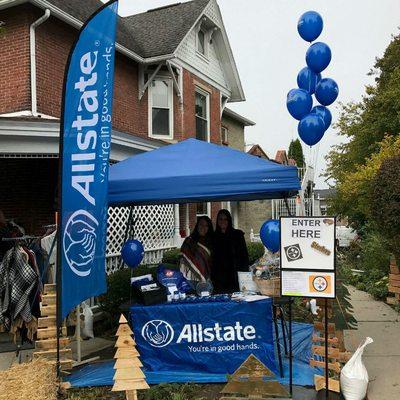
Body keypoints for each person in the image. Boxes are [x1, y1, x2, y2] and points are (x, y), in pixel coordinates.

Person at [211, 209, 249, 293]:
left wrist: (244, 275)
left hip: (235, 277)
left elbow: (244, 256)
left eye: (225, 219)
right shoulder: (213, 237)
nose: (223, 221)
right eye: (220, 219)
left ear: (229, 220)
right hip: (218, 279)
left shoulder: (237, 235)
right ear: (217, 220)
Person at [180, 216, 214, 286]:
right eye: (201, 224)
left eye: (206, 226)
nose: (203, 227)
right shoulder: (189, 241)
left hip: (209, 279)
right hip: (191, 279)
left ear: (209, 228)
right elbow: (183, 260)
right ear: (197, 225)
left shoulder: (213, 242)